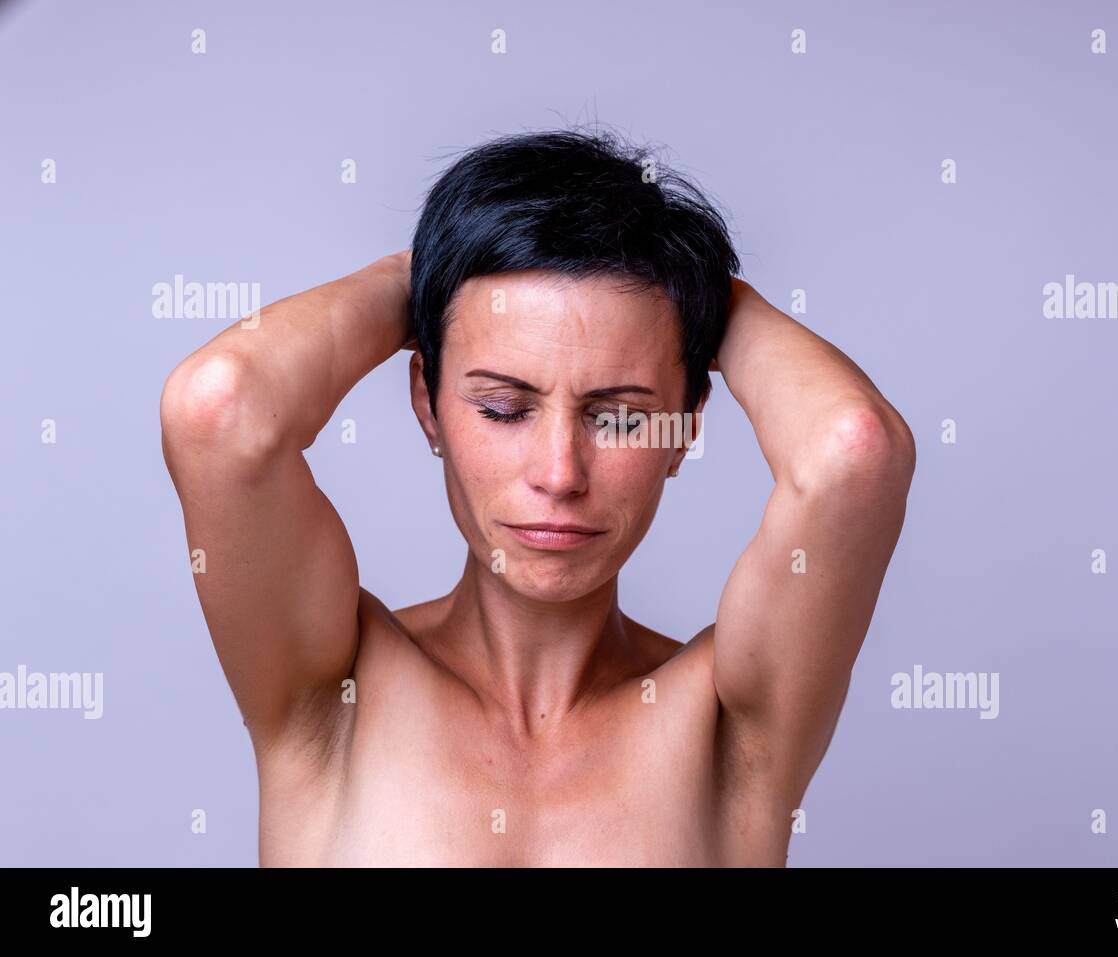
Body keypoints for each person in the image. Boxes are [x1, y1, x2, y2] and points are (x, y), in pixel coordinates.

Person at [159, 128, 916, 866]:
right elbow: (220, 408)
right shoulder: (331, 691)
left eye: (620, 417)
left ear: (684, 431)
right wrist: (426, 275)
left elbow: (853, 451)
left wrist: (702, 300)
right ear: (427, 399)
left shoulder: (729, 729)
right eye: (503, 407)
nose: (559, 473)